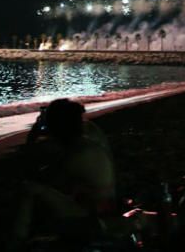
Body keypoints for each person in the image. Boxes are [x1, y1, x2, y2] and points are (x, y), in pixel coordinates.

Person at [10, 99, 119, 250]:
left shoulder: (79, 154)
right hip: (102, 206)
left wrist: (32, 138)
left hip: (93, 216)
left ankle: (17, 243)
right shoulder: (89, 137)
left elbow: (45, 180)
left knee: (30, 189)